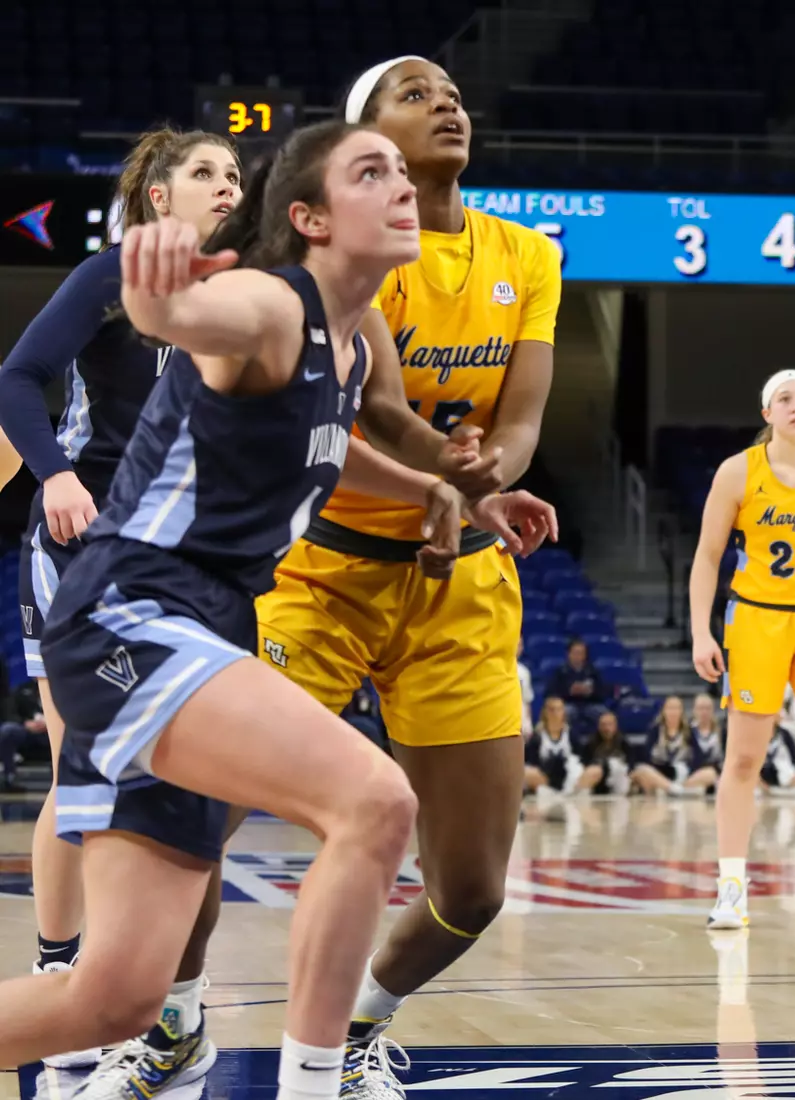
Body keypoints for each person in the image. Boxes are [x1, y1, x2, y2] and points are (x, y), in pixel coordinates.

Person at [0, 120, 546, 1098]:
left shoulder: (352, 339)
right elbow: (175, 315)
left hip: (196, 623)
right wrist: (153, 284)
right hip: (132, 612)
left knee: (112, 997)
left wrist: (463, 496)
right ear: (309, 218)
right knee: (375, 803)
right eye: (369, 171)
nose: (400, 185)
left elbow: (344, 440)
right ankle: (314, 1082)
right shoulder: (267, 305)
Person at [0, 128, 242, 1075]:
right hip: (82, 547)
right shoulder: (112, 277)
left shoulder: (241, 296)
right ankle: (60, 974)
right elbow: (16, 377)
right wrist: (54, 476)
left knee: (185, 779)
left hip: (184, 566)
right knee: (83, 769)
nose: (227, 185)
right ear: (157, 197)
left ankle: (164, 995)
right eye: (206, 173)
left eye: (234, 174)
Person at [688, 368, 795, 931]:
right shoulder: (738, 472)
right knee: (742, 759)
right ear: (767, 413)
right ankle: (732, 887)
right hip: (757, 622)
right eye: (784, 398)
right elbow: (707, 557)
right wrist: (700, 630)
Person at [546, 638, 610, 730]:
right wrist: (569, 692)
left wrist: (590, 692)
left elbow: (602, 692)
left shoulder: (593, 671)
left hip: (590, 704)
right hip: (568, 703)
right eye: (575, 653)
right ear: (569, 654)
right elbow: (551, 693)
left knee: (607, 716)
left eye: (581, 653)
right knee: (561, 713)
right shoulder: (560, 672)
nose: (578, 656)